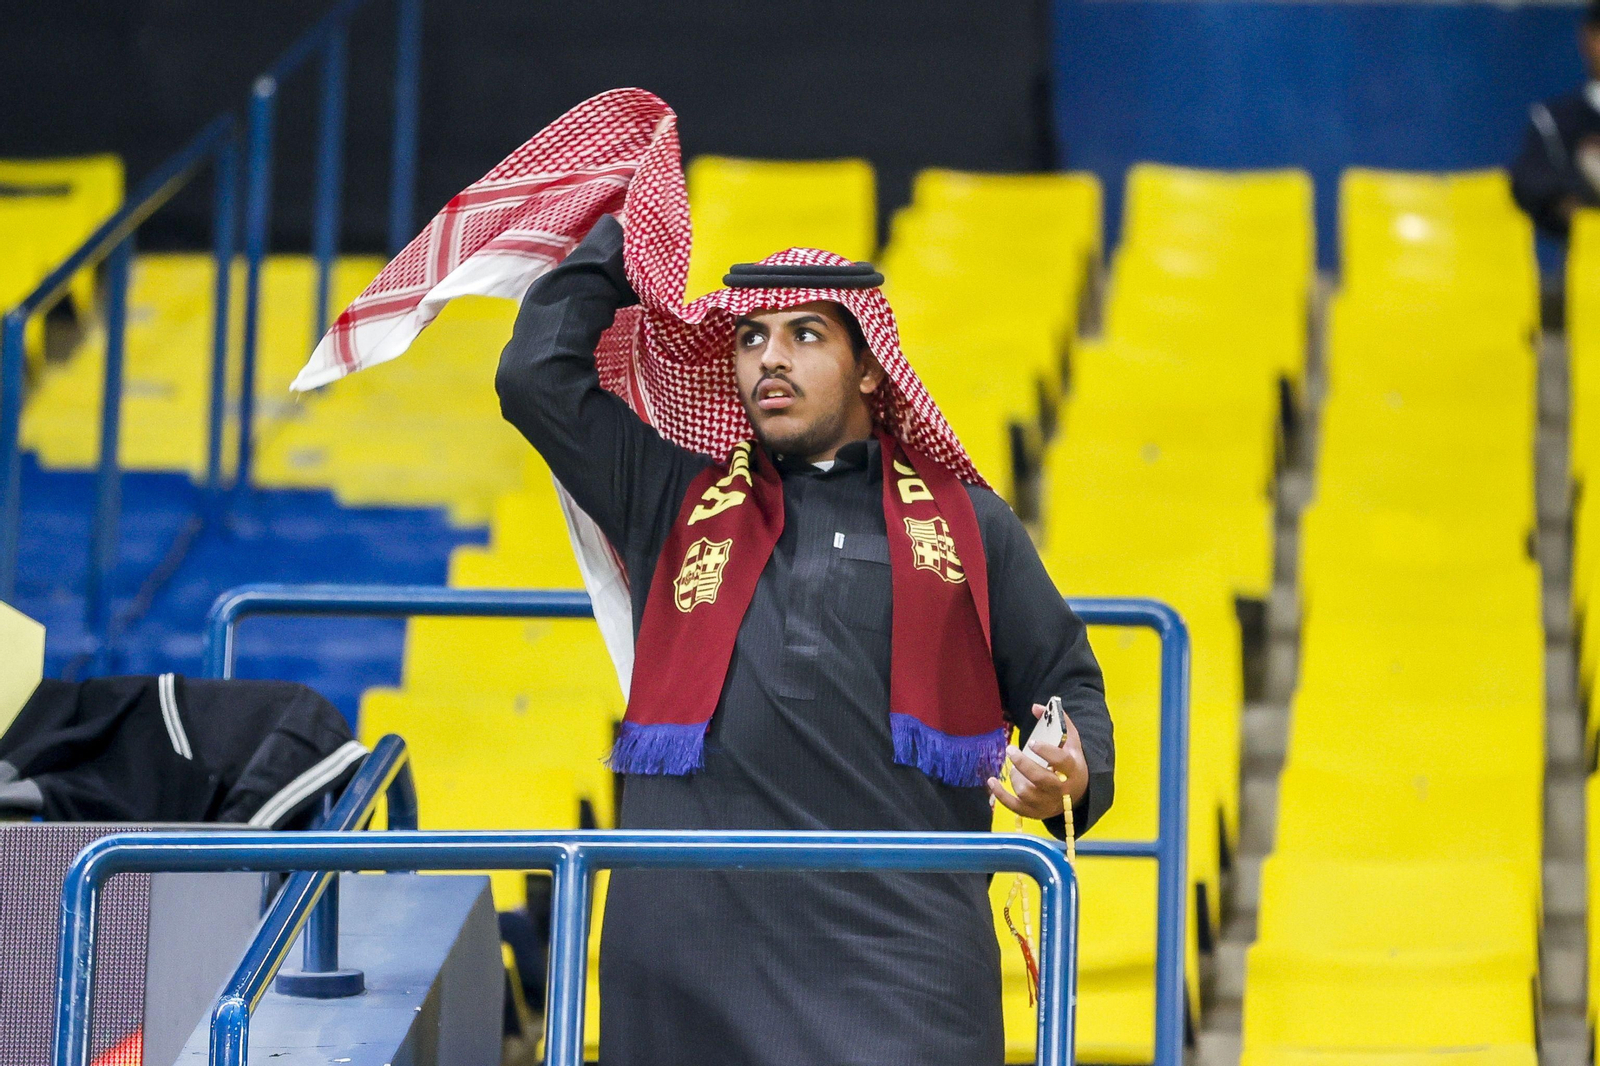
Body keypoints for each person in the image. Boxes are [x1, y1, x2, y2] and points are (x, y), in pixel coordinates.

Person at [495, 212, 1112, 1066]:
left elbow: (1065, 685)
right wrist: (624, 231)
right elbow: (534, 378)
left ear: (868, 368)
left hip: (901, 970)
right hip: (687, 966)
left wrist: (1069, 776)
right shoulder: (669, 499)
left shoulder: (970, 524)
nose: (769, 358)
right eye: (749, 337)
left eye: (804, 335)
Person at [1511, 0, 1600, 240]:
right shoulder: (1552, 120)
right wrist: (1582, 192)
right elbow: (1530, 184)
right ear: (1587, 39)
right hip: (1584, 264)